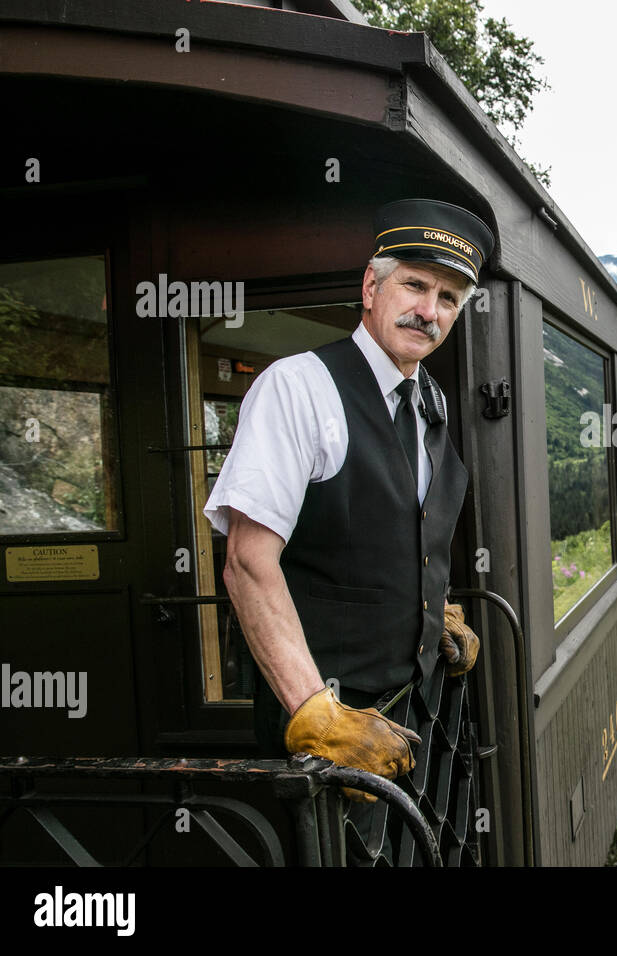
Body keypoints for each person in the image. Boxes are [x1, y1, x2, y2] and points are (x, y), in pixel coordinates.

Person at [203, 198, 495, 863]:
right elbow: (248, 563)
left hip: (419, 711)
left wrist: (429, 612)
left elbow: (398, 529)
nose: (430, 309)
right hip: (332, 732)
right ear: (371, 287)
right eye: (415, 285)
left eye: (448, 297)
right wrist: (314, 714)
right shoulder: (298, 388)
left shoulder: (431, 401)